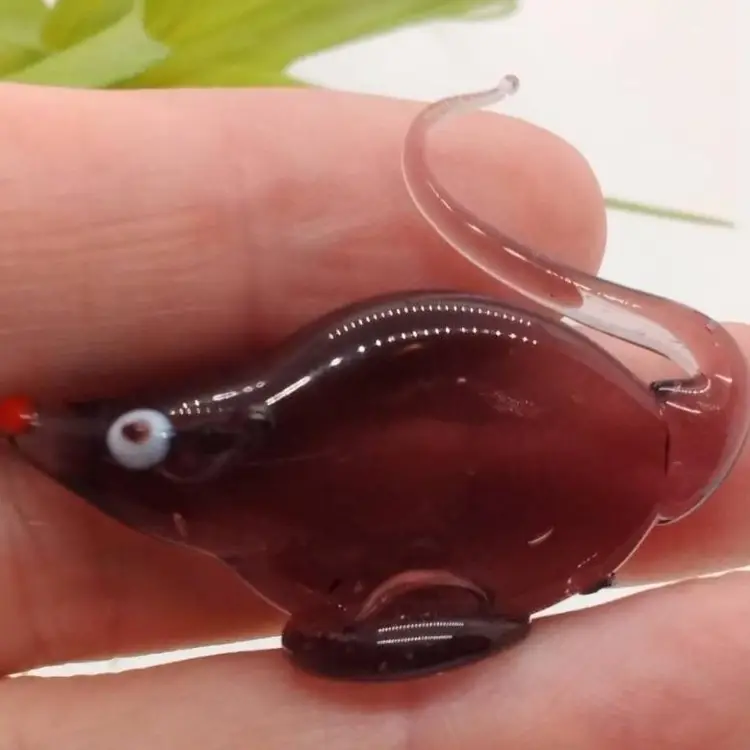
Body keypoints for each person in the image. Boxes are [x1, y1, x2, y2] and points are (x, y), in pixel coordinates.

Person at [0, 83, 747, 748]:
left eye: (138, 439)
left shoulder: (276, 517)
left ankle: (456, 609)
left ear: (214, 450)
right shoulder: (277, 532)